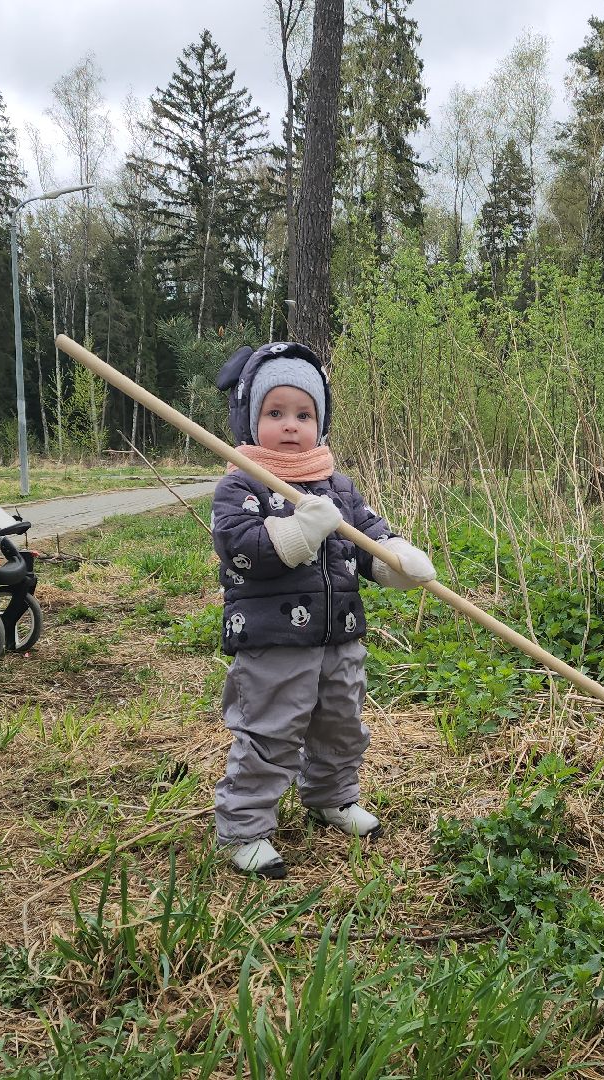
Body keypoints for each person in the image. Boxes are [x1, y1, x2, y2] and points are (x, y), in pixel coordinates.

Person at [208, 341, 436, 878]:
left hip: (340, 636)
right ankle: (244, 827)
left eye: (303, 414)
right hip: (271, 643)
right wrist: (297, 531)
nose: (290, 425)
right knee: (270, 732)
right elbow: (242, 548)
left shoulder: (338, 486)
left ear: (321, 420)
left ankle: (331, 795)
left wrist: (395, 560)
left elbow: (367, 538)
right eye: (275, 412)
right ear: (250, 419)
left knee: (342, 723)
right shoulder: (241, 484)